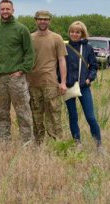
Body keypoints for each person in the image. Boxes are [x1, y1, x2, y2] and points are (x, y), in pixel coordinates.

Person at [0, 0, 35, 143]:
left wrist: (22, 70)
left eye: (8, 9)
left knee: (23, 111)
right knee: (0, 112)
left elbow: (29, 53)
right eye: (2, 9)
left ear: (13, 10)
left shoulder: (21, 29)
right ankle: (3, 141)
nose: (5, 11)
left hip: (16, 78)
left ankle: (27, 141)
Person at [28, 10, 68, 143]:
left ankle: (57, 142)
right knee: (36, 114)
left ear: (49, 21)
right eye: (40, 19)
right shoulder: (30, 38)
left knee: (53, 114)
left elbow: (62, 60)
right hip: (33, 83)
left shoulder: (56, 38)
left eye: (45, 19)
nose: (43, 21)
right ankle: (39, 142)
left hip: (50, 83)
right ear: (36, 20)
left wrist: (62, 82)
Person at [64, 21, 103, 153]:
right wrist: (61, 82)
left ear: (82, 33)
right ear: (69, 32)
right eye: (72, 31)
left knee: (90, 117)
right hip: (68, 87)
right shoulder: (64, 47)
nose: (74, 34)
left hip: (83, 87)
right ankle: (77, 143)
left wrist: (88, 79)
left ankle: (98, 145)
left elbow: (94, 66)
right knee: (73, 117)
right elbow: (59, 66)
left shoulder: (87, 48)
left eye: (77, 32)